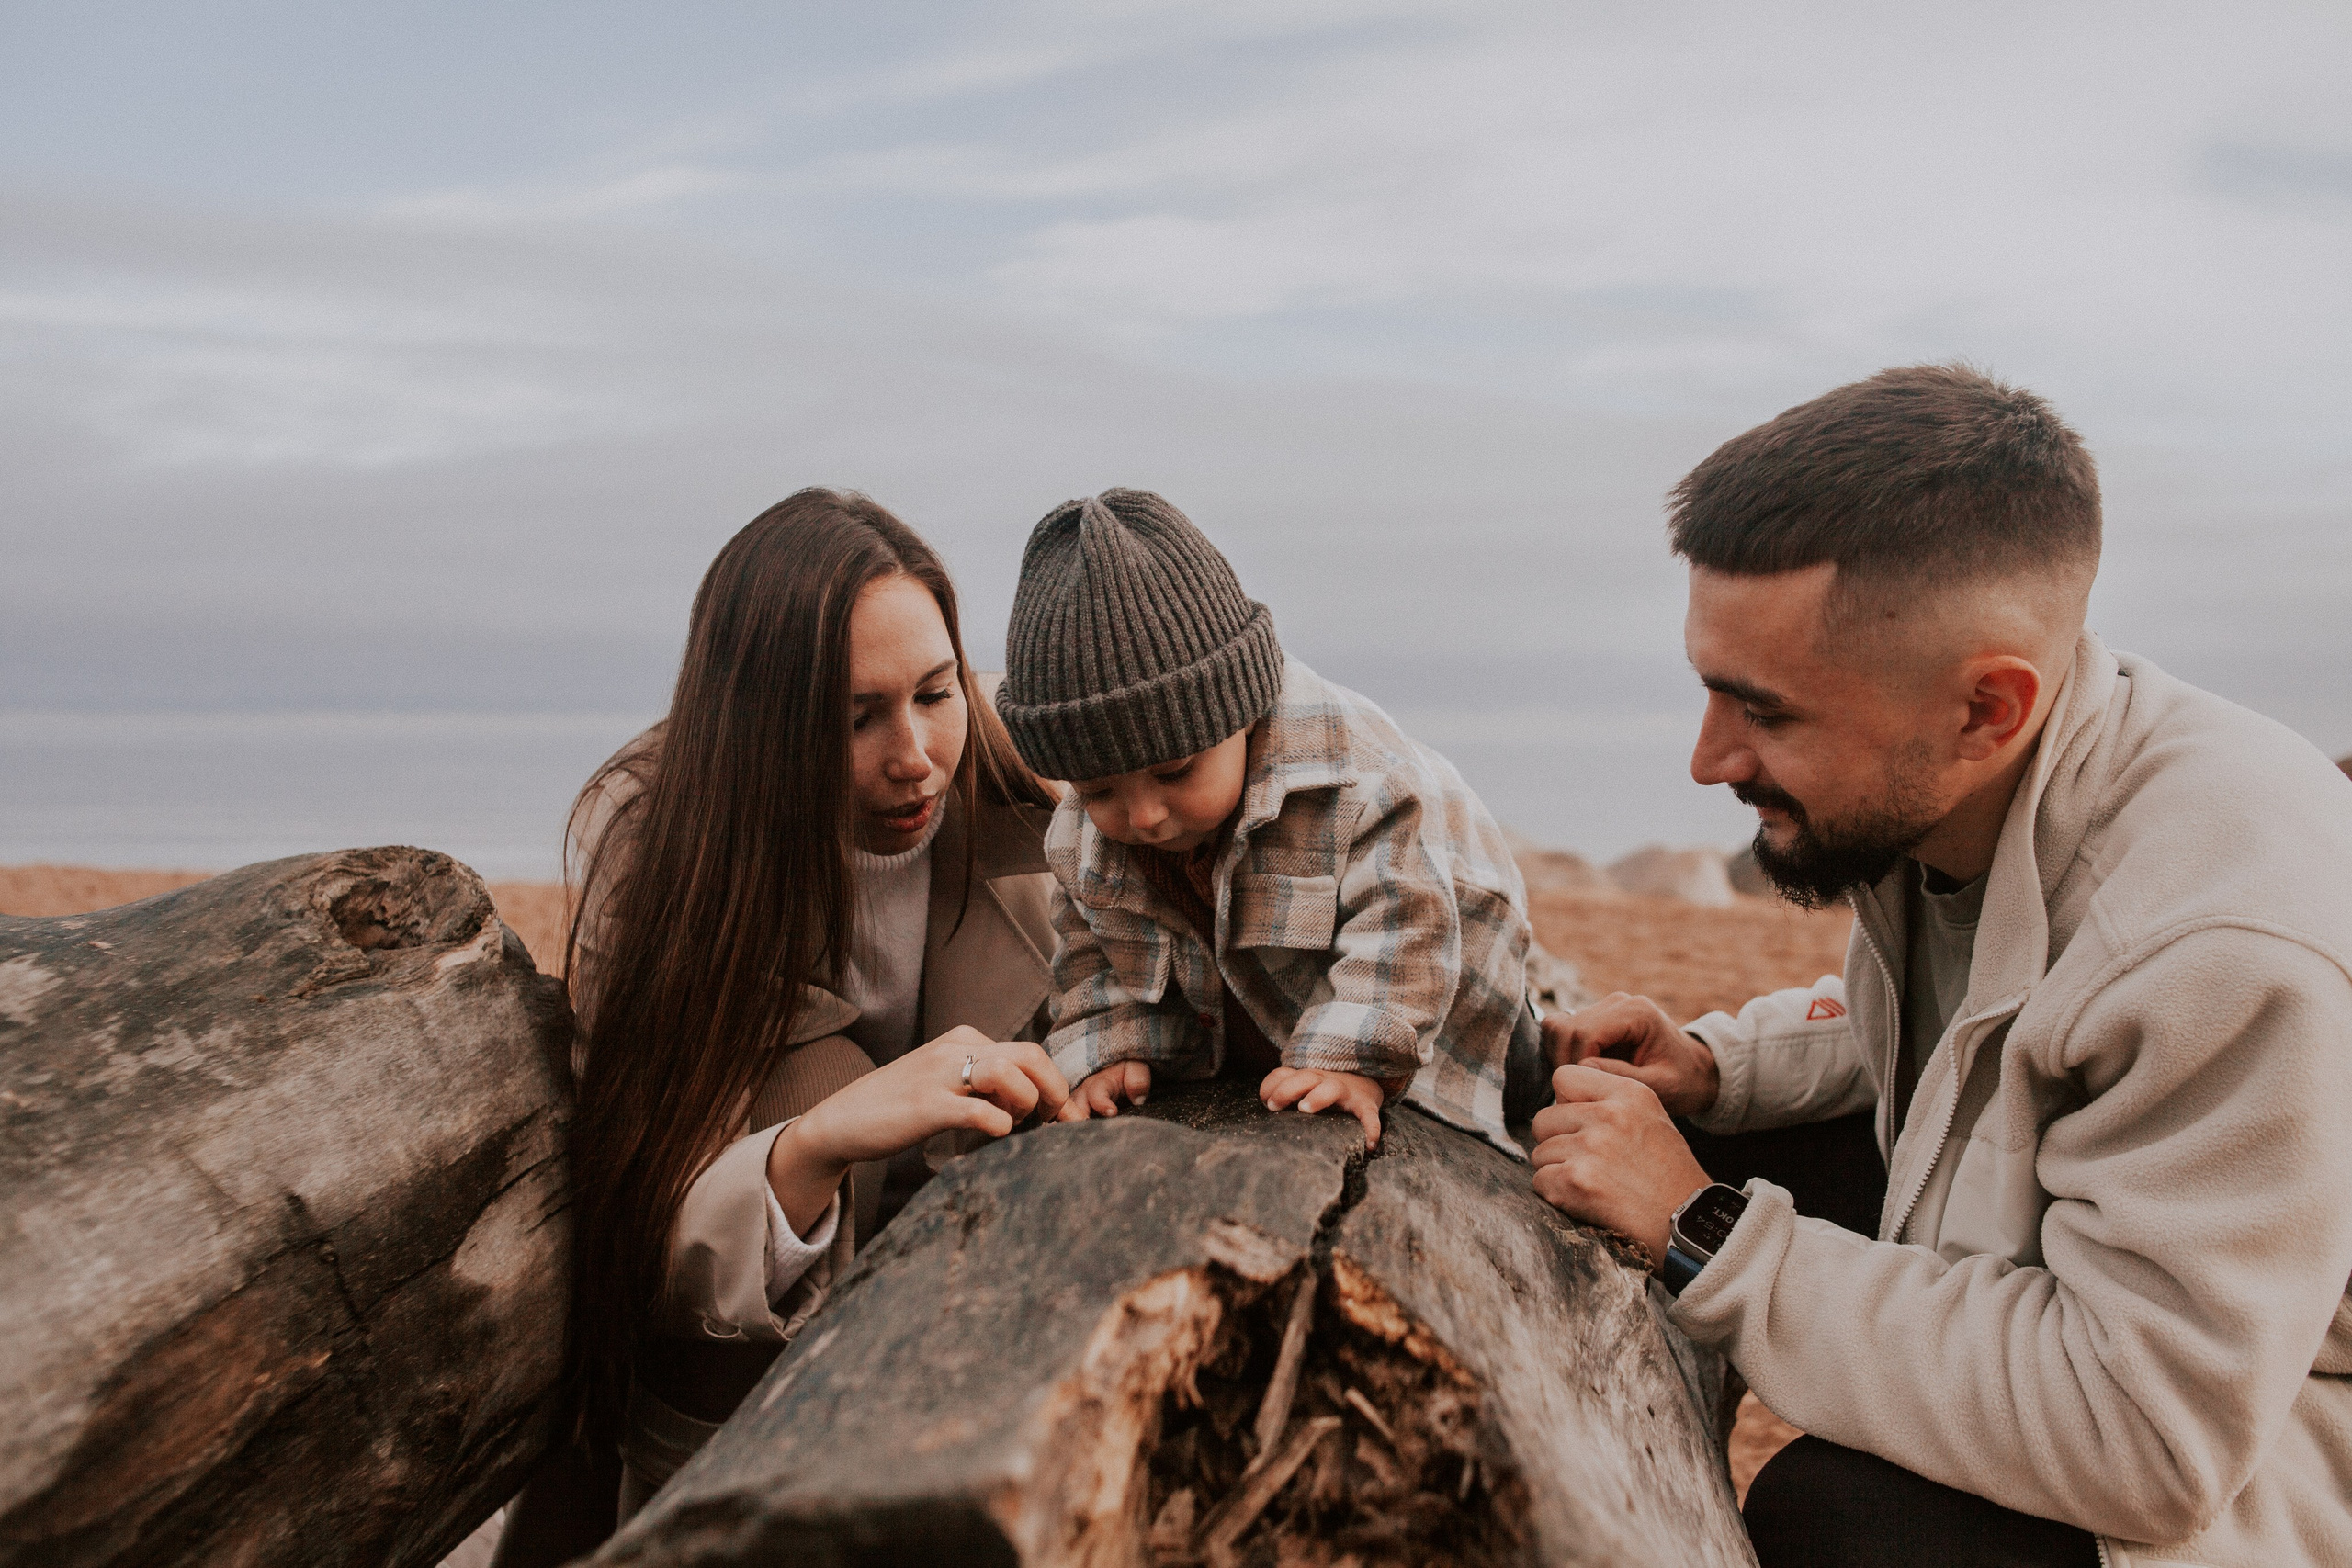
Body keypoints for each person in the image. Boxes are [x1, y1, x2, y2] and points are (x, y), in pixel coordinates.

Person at [1527, 365, 2352, 1568]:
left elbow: (2148, 1438)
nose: (1710, 760)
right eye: (1709, 690)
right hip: (2131, 1329)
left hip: (2273, 1447)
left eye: (1765, 712)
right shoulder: (1978, 778)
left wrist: (1704, 1229)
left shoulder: (2216, 947)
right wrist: (1716, 1068)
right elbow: (1984, 1024)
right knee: (1672, 1132)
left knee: (1846, 1519)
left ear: (1985, 708)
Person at [491, 489, 1071, 1564]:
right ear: (759, 727)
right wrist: (819, 1142)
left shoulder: (1032, 771)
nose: (914, 755)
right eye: (855, 718)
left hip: (990, 1357)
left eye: (935, 691)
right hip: (739, 1396)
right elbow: (631, 1219)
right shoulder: (660, 849)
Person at [994, 487, 1541, 1156]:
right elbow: (1093, 957)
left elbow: (1407, 928)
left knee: (1526, 1084)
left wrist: (1352, 1060)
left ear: (1243, 711)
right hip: (1261, 1015)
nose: (1143, 815)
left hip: (1458, 1008)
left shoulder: (1361, 785)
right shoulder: (1087, 837)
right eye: (1098, 788)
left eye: (1175, 771)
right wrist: (1107, 1049)